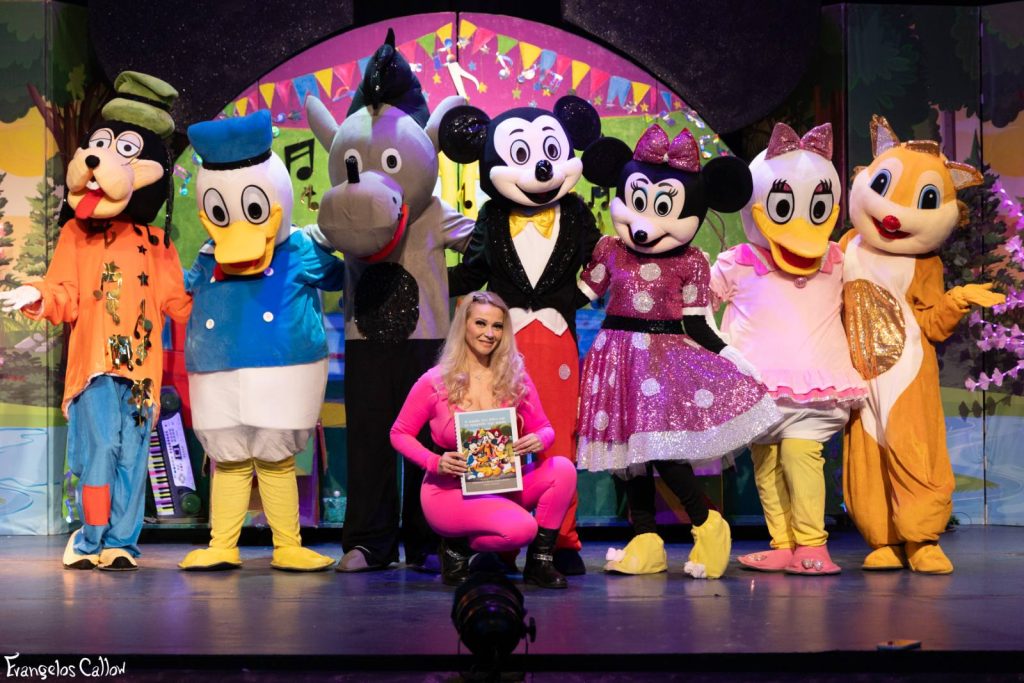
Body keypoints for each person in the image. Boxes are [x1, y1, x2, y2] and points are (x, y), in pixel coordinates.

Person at [390, 291, 577, 589]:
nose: (489, 334)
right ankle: (456, 548)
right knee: (523, 528)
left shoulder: (515, 377)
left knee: (563, 469)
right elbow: (399, 433)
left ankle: (540, 563)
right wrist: (434, 461)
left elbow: (545, 429)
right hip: (449, 492)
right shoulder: (435, 380)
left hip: (503, 484)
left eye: (497, 326)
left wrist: (538, 440)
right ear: (464, 326)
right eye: (480, 323)